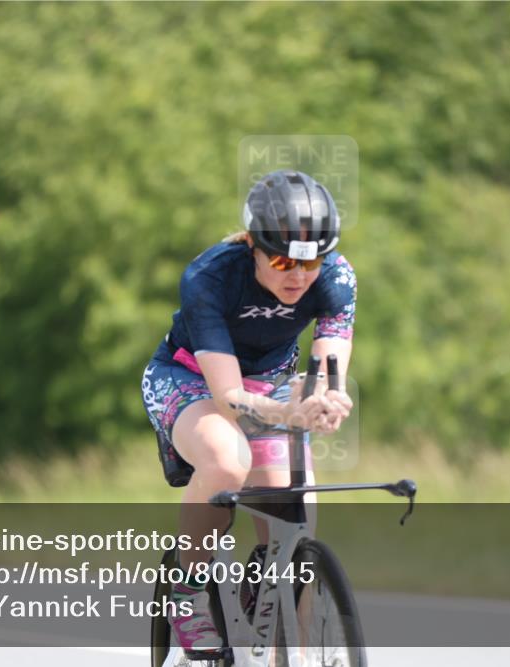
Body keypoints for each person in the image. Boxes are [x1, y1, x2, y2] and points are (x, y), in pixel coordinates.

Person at [140, 170, 357, 655]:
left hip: (270, 381)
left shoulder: (337, 276)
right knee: (227, 461)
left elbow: (328, 366)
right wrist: (288, 415)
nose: (298, 276)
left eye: (311, 262)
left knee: (296, 515)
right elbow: (228, 397)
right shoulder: (211, 277)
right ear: (252, 246)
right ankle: (188, 592)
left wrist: (324, 399)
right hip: (191, 377)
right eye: (282, 261)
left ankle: (285, 641)